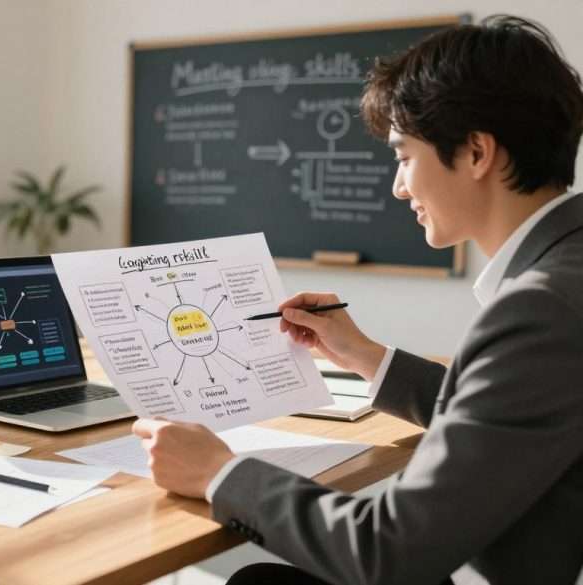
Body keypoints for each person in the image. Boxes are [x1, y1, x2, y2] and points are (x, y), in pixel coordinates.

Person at [132, 15, 583, 585]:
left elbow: (388, 553)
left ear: (475, 153)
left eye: (403, 157)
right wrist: (368, 356)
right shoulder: (566, 273)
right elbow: (514, 413)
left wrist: (220, 473)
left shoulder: (539, 310)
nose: (399, 187)